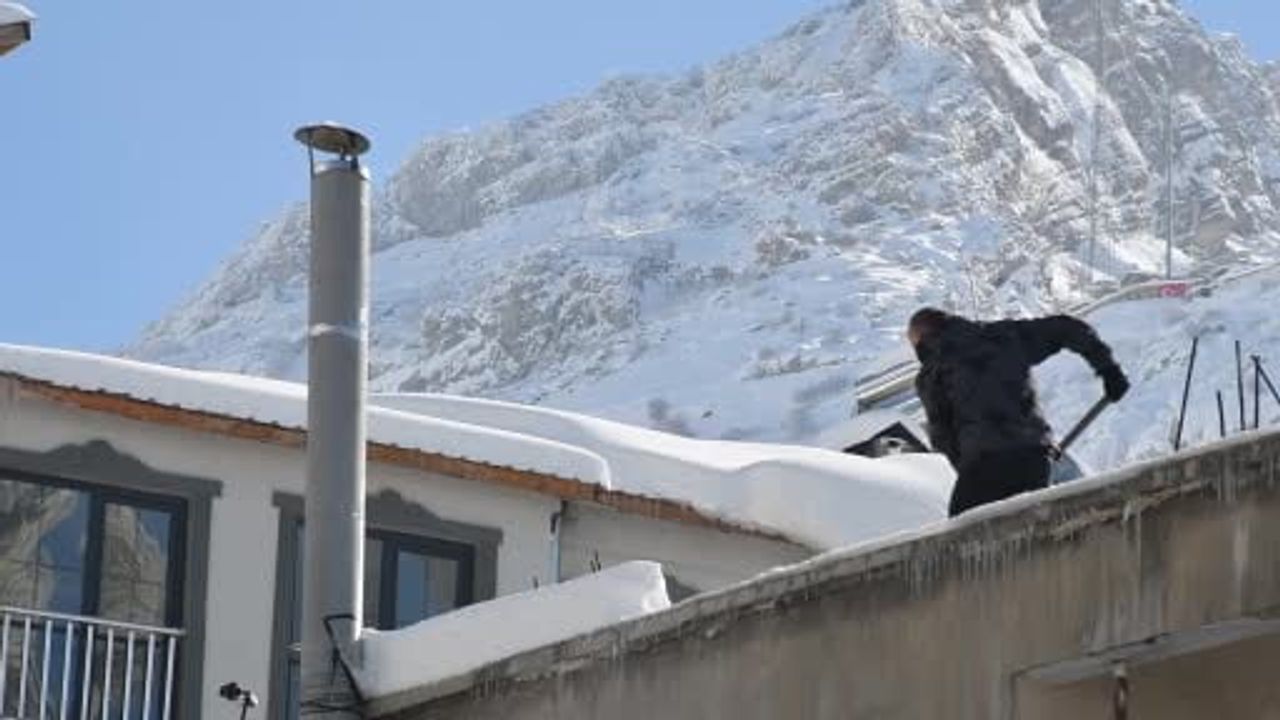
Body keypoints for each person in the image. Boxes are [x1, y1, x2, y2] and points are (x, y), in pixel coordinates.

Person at [907, 307, 1129, 517]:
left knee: (960, 537)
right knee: (1032, 526)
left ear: (921, 340)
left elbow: (943, 436)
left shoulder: (932, 374)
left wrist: (966, 467)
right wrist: (1109, 370)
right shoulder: (1004, 337)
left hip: (984, 466)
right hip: (1033, 456)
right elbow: (1067, 327)